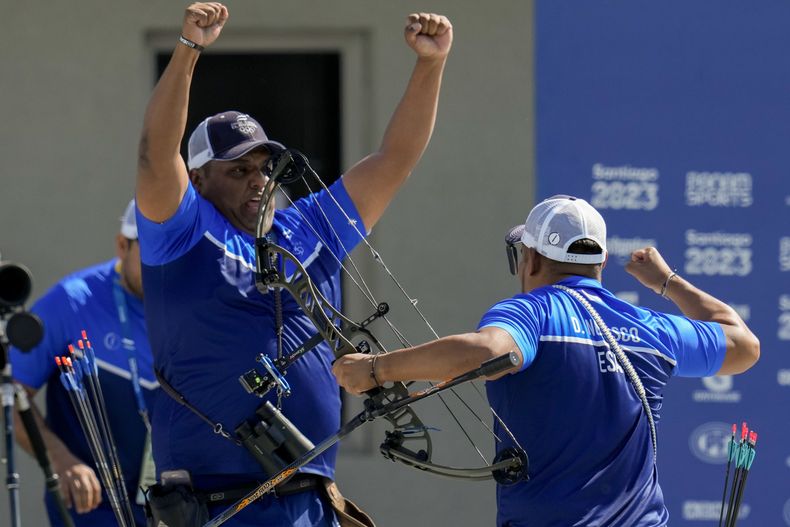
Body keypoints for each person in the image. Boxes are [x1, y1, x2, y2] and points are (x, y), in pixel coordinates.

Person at [135, 3, 452, 526]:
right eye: (238, 170)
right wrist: (188, 51)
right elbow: (154, 155)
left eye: (264, 167)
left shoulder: (306, 229)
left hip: (309, 500)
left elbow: (394, 159)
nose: (258, 180)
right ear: (197, 181)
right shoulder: (180, 232)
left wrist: (430, 65)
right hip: (216, 504)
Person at [333, 195, 761, 526]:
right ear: (601, 262)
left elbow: (488, 352)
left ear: (532, 258)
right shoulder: (651, 328)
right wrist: (665, 282)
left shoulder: (531, 313)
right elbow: (743, 345)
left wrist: (375, 369)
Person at [11, 200, 156, 527]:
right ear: (123, 245)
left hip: (175, 503)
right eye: (152, 250)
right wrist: (60, 459)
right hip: (94, 505)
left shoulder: (196, 302)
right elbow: (11, 395)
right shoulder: (70, 301)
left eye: (174, 249)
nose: (164, 264)